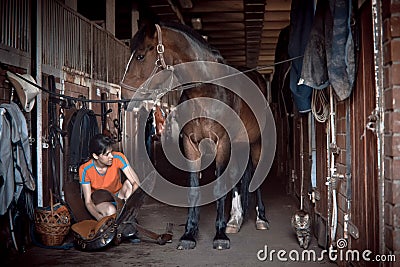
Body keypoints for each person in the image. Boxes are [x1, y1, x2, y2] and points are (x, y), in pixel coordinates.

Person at [79, 134, 140, 221]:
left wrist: (130, 205)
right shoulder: (85, 169)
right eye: (107, 154)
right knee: (111, 210)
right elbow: (88, 202)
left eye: (111, 152)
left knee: (130, 184)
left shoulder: (118, 157)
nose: (111, 156)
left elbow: (136, 183)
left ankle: (126, 215)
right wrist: (99, 217)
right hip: (101, 201)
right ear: (96, 156)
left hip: (119, 196)